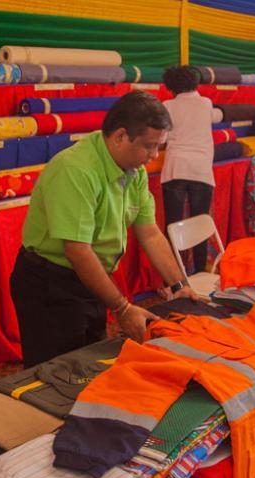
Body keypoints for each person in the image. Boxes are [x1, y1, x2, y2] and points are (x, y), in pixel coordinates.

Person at [10, 90, 196, 369]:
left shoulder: (134, 171)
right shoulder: (76, 169)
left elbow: (149, 232)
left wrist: (180, 286)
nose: (154, 155)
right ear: (120, 136)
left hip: (91, 279)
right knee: (55, 374)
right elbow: (77, 250)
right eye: (149, 146)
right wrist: (122, 308)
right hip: (51, 283)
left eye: (158, 146)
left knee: (88, 365)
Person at [160, 65, 215, 274]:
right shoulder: (206, 103)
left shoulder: (167, 106)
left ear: (171, 86)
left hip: (176, 167)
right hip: (201, 169)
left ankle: (172, 278)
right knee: (199, 225)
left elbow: (162, 139)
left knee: (172, 226)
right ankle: (200, 273)